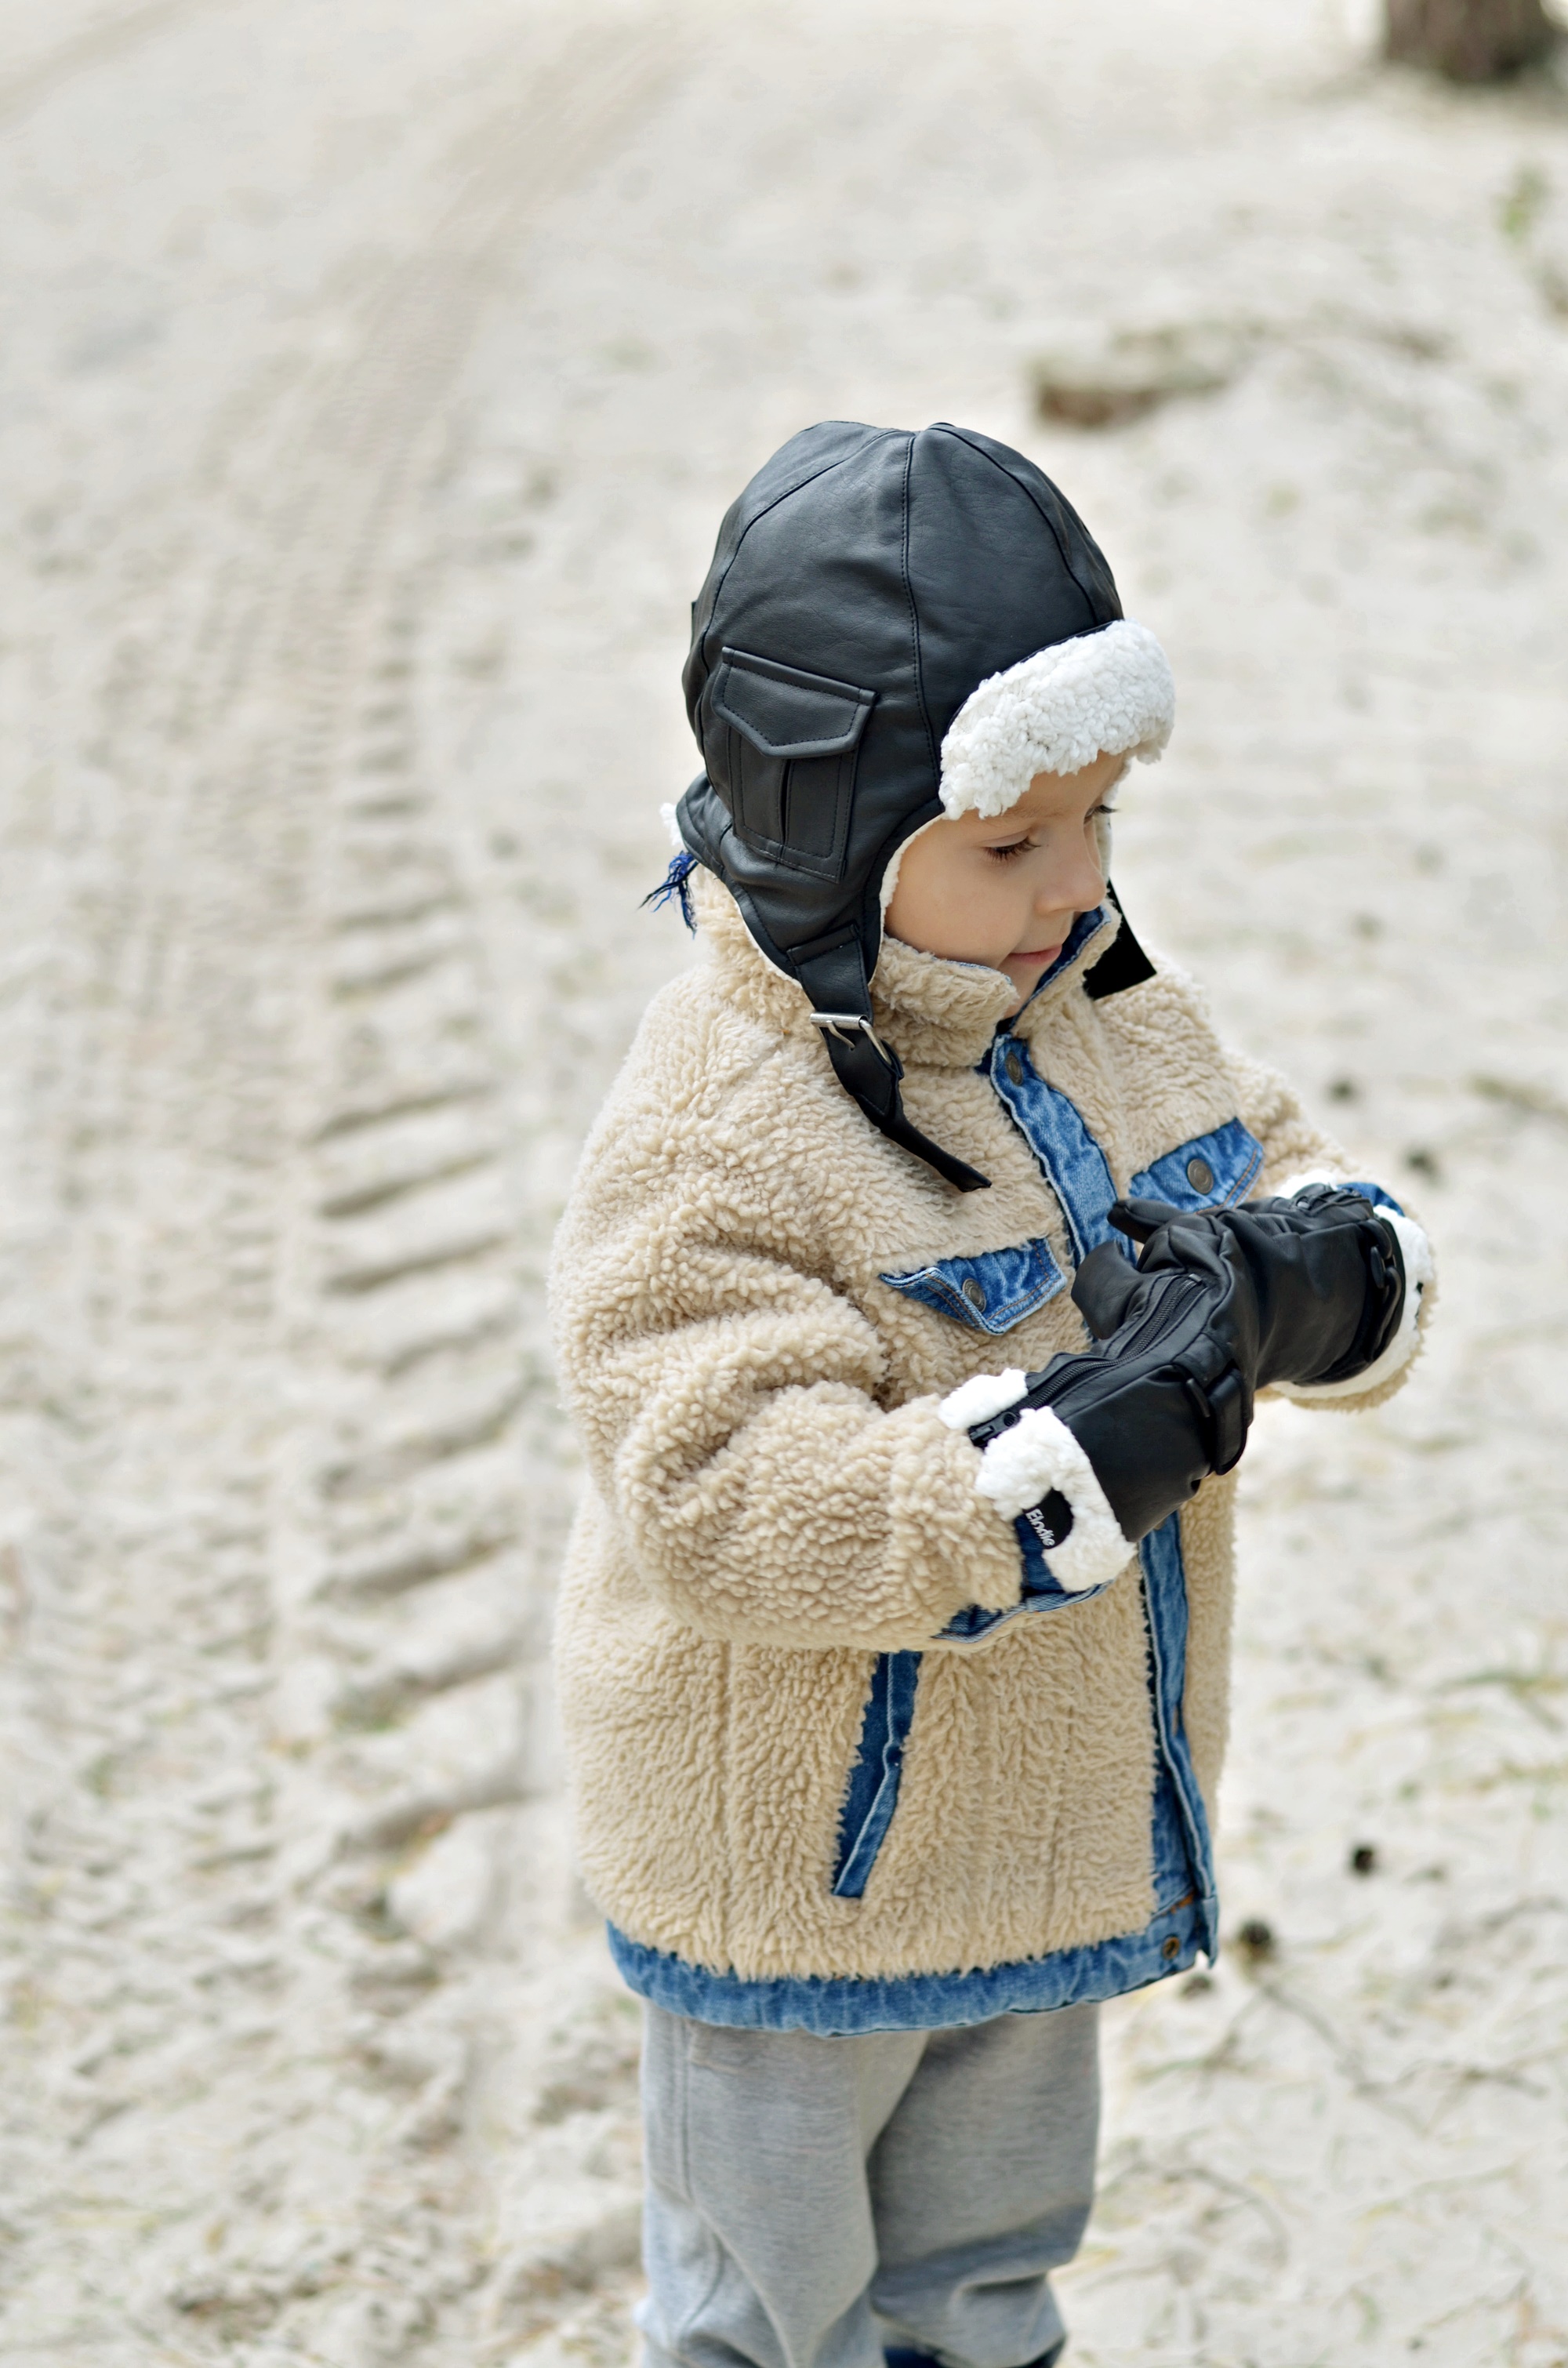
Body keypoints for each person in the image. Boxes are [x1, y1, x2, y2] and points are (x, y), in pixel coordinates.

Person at [549, 421, 1434, 2368]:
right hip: (804, 1884)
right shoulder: (724, 1120)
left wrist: (1311, 1280)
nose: (1075, 887)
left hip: (1042, 1836)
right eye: (1013, 842)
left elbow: (1283, 1169)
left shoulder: (1105, 1017)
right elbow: (708, 1482)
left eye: (1104, 820)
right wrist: (1062, 1454)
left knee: (989, 2275)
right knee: (770, 2311)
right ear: (829, 820)